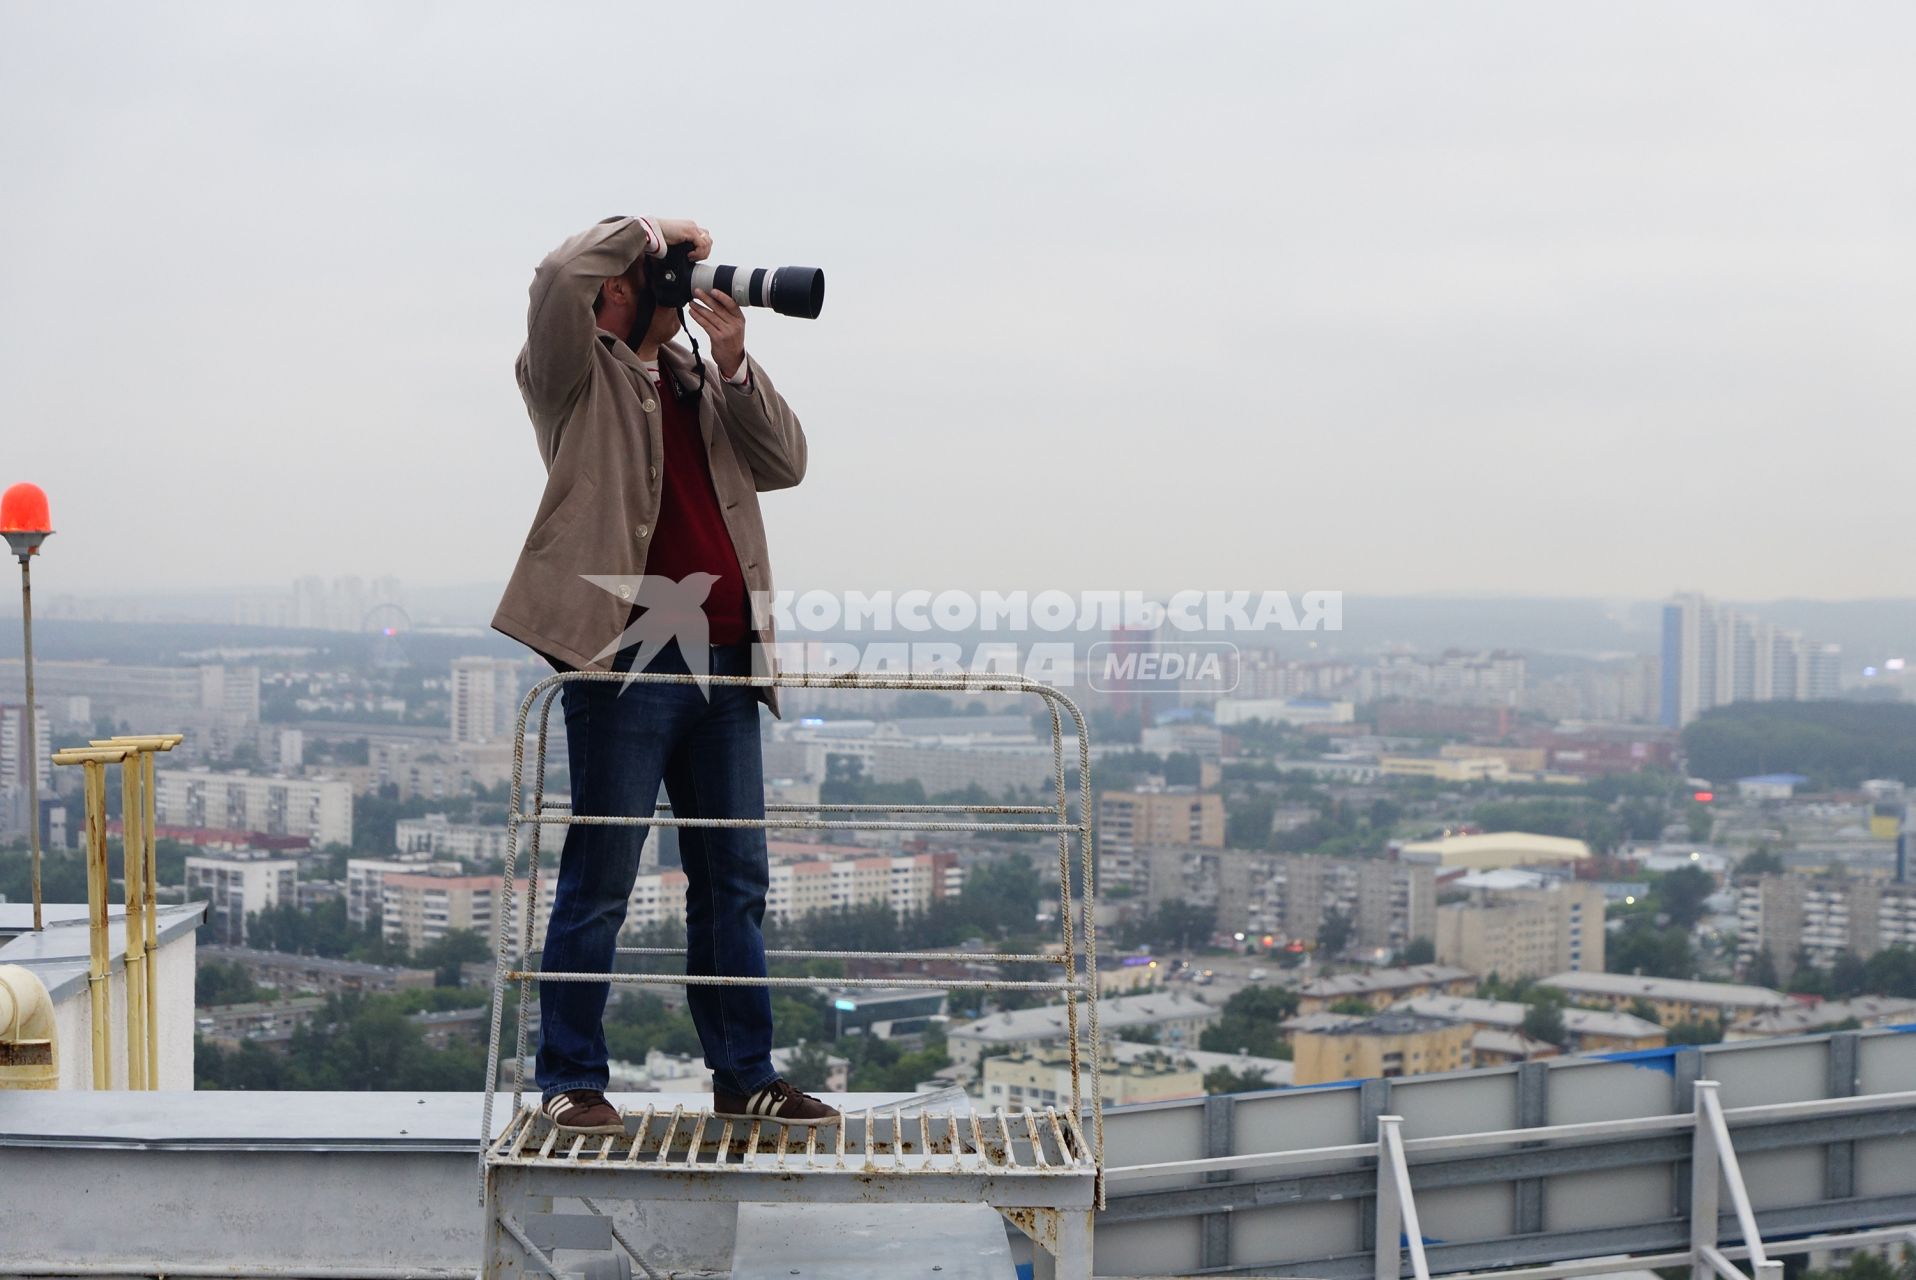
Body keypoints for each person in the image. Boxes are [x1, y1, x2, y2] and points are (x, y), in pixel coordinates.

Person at [491, 215, 839, 1134]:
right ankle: (569, 1077)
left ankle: (745, 1076)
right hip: (627, 663)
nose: (667, 282)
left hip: (726, 666)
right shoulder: (571, 374)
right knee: (601, 879)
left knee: (734, 882)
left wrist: (732, 363)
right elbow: (560, 269)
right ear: (614, 291)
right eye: (651, 273)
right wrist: (643, 228)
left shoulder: (697, 379)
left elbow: (786, 463)